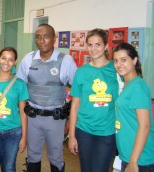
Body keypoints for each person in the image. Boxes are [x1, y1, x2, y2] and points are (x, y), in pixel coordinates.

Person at [17, 24, 77, 172]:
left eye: (46, 36)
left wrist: (70, 120)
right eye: (38, 37)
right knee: (33, 155)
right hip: (33, 118)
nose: (41, 40)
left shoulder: (66, 61)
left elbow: (77, 93)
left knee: (56, 157)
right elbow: (19, 88)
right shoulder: (28, 60)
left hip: (56, 119)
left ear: (54, 38)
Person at [68, 28, 118, 172]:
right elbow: (75, 105)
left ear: (106, 46)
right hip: (84, 130)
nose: (93, 49)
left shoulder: (115, 70)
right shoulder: (81, 72)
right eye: (90, 44)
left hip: (107, 131)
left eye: (98, 44)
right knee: (86, 169)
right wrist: (71, 135)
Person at [113, 43, 154, 172]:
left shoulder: (138, 86)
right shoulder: (127, 83)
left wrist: (133, 161)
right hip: (127, 154)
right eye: (116, 61)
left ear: (134, 60)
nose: (119, 64)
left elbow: (145, 125)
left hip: (140, 159)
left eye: (123, 60)